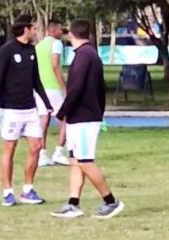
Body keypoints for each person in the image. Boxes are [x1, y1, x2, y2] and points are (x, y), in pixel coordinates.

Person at [50, 20, 124, 219]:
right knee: (75, 161)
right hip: (80, 117)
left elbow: (76, 89)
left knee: (85, 161)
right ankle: (73, 204)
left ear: (71, 35)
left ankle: (111, 201)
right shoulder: (85, 55)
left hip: (84, 117)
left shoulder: (85, 56)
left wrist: (62, 111)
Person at [0, 15, 53, 206]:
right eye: (33, 28)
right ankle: (7, 192)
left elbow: (36, 80)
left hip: (30, 109)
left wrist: (47, 103)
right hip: (11, 110)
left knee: (36, 147)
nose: (35, 31)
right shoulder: (6, 51)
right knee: (9, 149)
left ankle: (28, 190)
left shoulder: (31, 50)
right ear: (25, 29)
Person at [35, 20, 69, 166]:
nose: (62, 32)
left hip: (41, 88)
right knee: (66, 119)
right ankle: (59, 152)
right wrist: (64, 86)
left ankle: (42, 154)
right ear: (53, 30)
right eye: (60, 30)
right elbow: (55, 65)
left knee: (44, 120)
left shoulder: (39, 45)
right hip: (53, 87)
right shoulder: (56, 44)